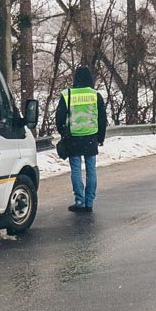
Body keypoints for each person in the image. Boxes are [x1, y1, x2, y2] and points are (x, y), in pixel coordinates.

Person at [55, 65, 108, 213]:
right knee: (91, 170)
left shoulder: (67, 95)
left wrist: (63, 133)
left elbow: (59, 118)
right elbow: (102, 119)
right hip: (91, 137)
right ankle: (89, 202)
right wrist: (101, 137)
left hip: (73, 138)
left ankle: (80, 201)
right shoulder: (95, 95)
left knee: (76, 170)